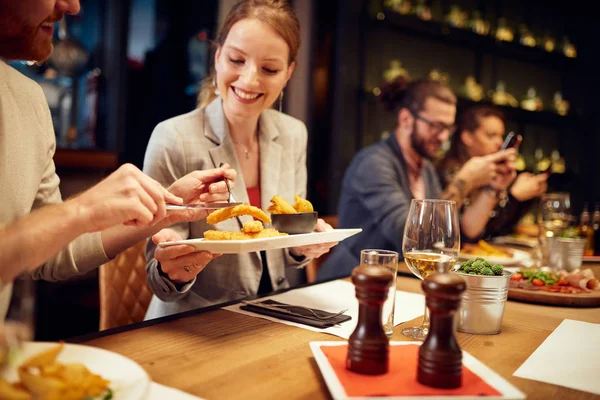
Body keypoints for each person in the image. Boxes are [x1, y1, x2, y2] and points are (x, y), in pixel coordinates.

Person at [0, 0, 236, 320]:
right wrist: (80, 210)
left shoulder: (28, 100)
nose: (72, 6)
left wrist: (166, 210)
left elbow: (49, 255)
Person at [143, 0, 337, 319]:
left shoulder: (293, 134)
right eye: (236, 59)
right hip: (189, 325)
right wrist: (176, 266)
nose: (249, 80)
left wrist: (303, 247)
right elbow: (158, 280)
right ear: (218, 57)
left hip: (271, 318)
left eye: (269, 69)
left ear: (289, 72)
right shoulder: (172, 138)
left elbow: (286, 237)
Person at [316, 77, 516, 281]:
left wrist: (493, 188)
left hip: (397, 280)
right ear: (405, 119)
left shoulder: (426, 168)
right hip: (349, 282)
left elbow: (462, 233)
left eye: (448, 128)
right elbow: (412, 237)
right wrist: (464, 181)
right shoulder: (373, 163)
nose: (443, 137)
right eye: (436, 126)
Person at [437, 105, 548, 241]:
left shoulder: (492, 173)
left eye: (501, 136)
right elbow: (456, 234)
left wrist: (500, 190)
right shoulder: (445, 173)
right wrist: (513, 197)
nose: (499, 142)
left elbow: (496, 230)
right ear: (467, 137)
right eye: (491, 135)